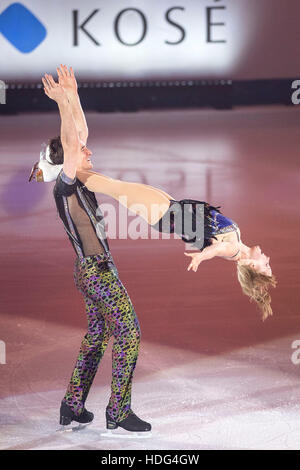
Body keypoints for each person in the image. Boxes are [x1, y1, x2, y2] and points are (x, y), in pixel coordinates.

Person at [30, 66, 151, 436]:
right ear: (66, 158)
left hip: (91, 271)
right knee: (128, 333)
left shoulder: (75, 179)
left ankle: (72, 403)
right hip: (97, 272)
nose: (88, 149)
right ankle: (118, 410)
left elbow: (78, 135)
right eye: (81, 151)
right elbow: (72, 142)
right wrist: (63, 103)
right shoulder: (65, 187)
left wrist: (73, 96)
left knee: (98, 336)